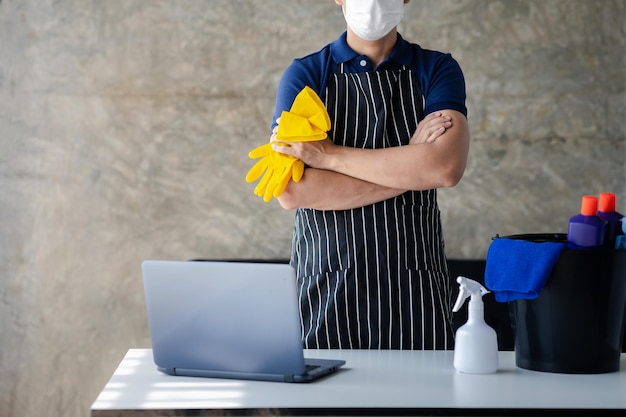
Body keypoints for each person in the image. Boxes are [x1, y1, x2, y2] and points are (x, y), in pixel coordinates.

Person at [270, 0, 469, 350]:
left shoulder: (436, 69)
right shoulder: (307, 74)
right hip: (324, 287)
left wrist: (328, 156)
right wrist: (410, 165)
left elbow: (445, 168)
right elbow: (292, 191)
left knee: (420, 403)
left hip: (414, 287)